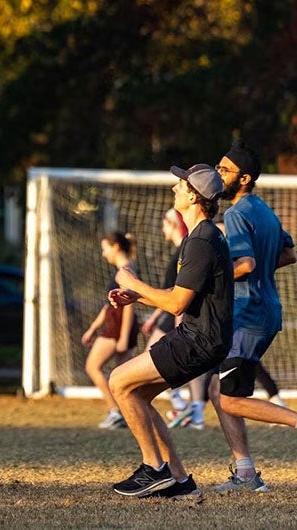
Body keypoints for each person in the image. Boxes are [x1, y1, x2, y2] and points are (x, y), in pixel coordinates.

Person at [107, 163, 232, 499]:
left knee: (118, 380)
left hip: (199, 340)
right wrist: (137, 294)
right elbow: (183, 299)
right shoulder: (200, 237)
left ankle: (154, 469)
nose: (175, 188)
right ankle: (179, 481)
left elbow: (176, 304)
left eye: (181, 185)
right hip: (200, 337)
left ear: (194, 196)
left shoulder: (202, 239)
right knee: (139, 395)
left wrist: (131, 280)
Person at [207, 140, 297, 493]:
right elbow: (290, 253)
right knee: (221, 390)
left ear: (243, 178)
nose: (217, 174)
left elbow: (244, 264)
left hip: (248, 313)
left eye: (223, 170)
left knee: (228, 398)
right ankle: (244, 472)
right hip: (265, 309)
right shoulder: (263, 209)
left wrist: (212, 276)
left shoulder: (235, 213)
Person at [141, 209, 210, 431]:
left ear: (172, 224)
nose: (162, 229)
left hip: (176, 315)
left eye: (163, 224)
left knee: (153, 360)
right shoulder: (182, 250)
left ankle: (185, 406)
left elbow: (179, 293)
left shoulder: (187, 249)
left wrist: (175, 321)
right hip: (171, 313)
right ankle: (187, 407)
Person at [81, 232, 140, 429]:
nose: (103, 254)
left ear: (115, 247)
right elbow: (109, 305)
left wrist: (123, 336)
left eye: (105, 248)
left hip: (118, 328)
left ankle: (116, 411)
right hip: (116, 325)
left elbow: (130, 305)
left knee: (92, 366)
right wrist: (92, 328)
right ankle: (129, 414)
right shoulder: (121, 269)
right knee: (123, 378)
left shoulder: (125, 270)